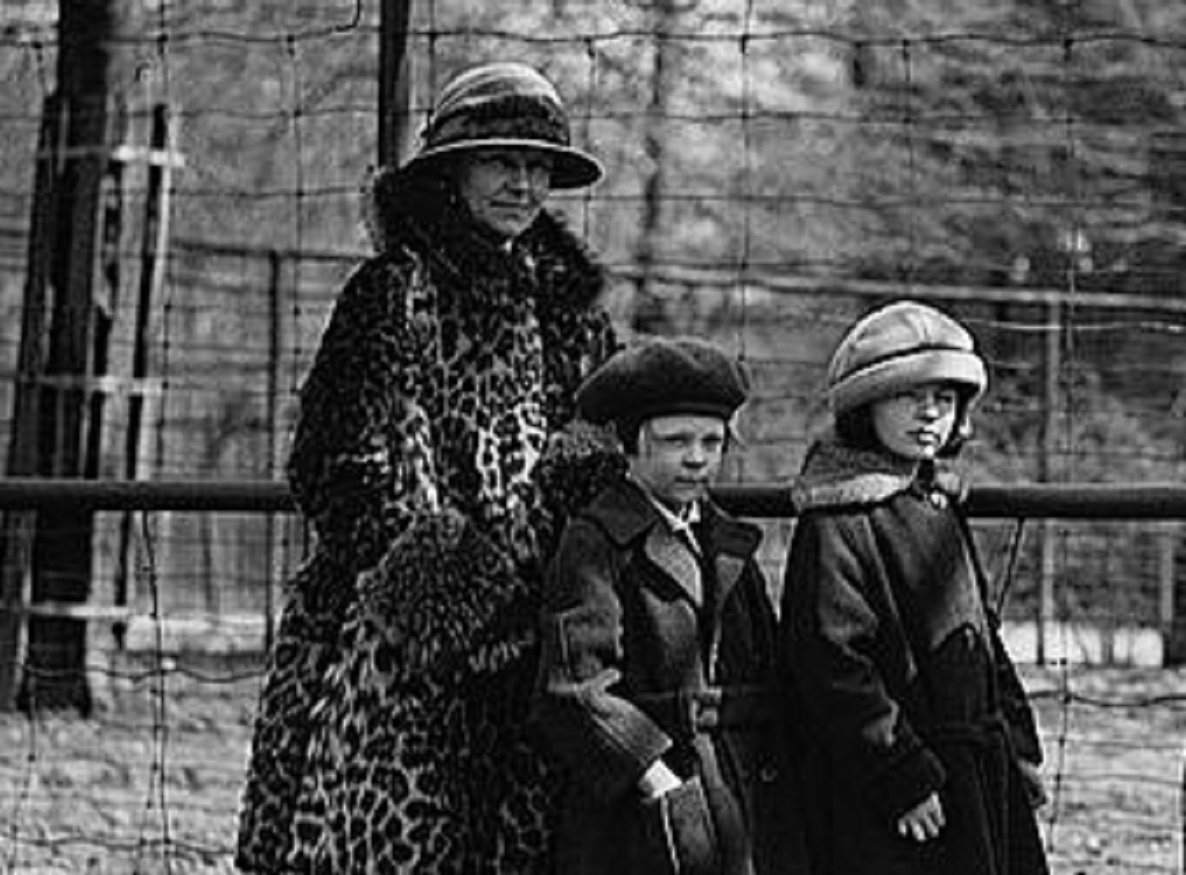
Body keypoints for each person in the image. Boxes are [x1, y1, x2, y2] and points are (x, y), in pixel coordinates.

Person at [234, 61, 621, 873]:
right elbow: (338, 470)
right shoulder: (391, 293)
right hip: (399, 647)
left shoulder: (571, 314)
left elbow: (601, 450)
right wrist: (459, 603)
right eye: (501, 161)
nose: (523, 183)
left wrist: (570, 596)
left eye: (539, 166)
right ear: (453, 169)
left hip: (545, 655)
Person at [778, 299, 1049, 875]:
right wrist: (897, 773)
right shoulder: (839, 517)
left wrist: (1018, 752)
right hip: (901, 788)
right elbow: (830, 661)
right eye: (907, 396)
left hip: (975, 772)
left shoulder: (936, 503)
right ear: (864, 407)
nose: (929, 414)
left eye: (944, 399)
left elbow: (982, 640)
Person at [533, 336, 811, 875]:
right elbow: (574, 690)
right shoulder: (596, 542)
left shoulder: (728, 542)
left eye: (712, 441)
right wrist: (654, 777)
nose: (696, 458)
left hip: (739, 785)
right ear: (631, 446)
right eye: (675, 440)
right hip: (641, 806)